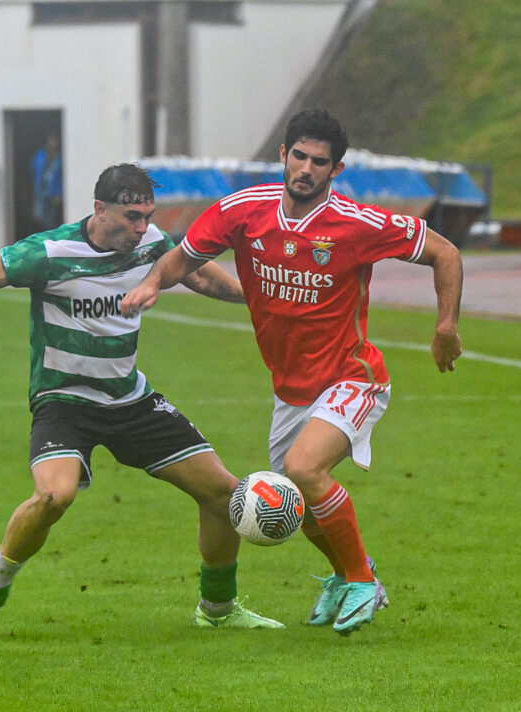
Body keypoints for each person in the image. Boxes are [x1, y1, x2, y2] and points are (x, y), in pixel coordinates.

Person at [0, 163, 284, 639]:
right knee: (54, 495)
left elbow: (203, 277)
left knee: (222, 494)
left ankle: (217, 608)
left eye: (147, 216)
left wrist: (268, 299)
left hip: (131, 400)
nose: (142, 227)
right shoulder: (47, 253)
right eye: (132, 216)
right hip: (64, 404)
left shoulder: (151, 242)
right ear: (99, 209)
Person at [121, 108, 464, 636]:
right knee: (298, 504)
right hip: (291, 388)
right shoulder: (242, 211)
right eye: (299, 156)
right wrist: (150, 284)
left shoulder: (358, 223)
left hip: (354, 377)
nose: (306, 168)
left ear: (336, 169)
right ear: (283, 156)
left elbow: (445, 251)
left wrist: (445, 326)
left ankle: (361, 582)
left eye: (319, 162)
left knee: (304, 471)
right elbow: (184, 255)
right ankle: (347, 574)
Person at [32, 134, 63, 231]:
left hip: (53, 190)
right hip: (41, 189)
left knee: (52, 214)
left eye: (55, 141)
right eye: (51, 141)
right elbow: (34, 171)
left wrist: (59, 193)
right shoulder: (40, 156)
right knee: (39, 214)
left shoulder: (59, 158)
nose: (53, 143)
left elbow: (61, 176)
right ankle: (48, 230)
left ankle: (50, 233)